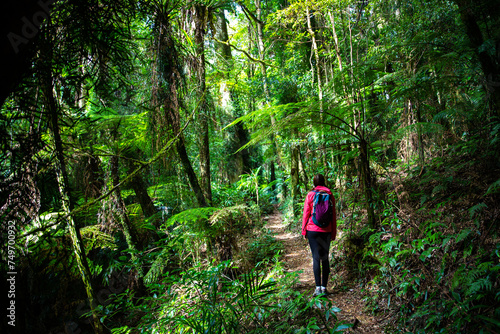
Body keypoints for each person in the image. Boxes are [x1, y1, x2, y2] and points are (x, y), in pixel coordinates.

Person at [301, 174, 337, 297]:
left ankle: (317, 289)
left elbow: (306, 213)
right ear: (324, 182)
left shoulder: (310, 195)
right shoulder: (330, 194)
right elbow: (333, 215)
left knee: (316, 258)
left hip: (312, 229)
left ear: (314, 183)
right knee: (325, 258)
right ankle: (324, 287)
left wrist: (304, 231)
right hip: (326, 230)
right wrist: (333, 232)